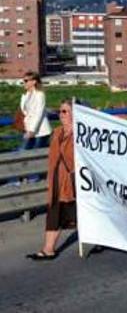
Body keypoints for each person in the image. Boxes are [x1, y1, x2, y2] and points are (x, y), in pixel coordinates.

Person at [26, 99, 75, 261]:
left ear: (74, 114)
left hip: (74, 183)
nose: (61, 115)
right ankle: (48, 249)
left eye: (65, 111)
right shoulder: (57, 132)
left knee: (84, 214)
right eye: (60, 111)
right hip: (57, 180)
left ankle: (102, 238)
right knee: (54, 213)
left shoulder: (82, 134)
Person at [15, 71, 52, 184]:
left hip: (40, 130)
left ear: (34, 82)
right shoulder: (25, 95)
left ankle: (42, 178)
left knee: (37, 154)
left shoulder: (40, 94)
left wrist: (32, 131)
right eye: (23, 81)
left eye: (26, 81)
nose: (24, 83)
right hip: (29, 129)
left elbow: (39, 113)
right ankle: (23, 178)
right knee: (23, 152)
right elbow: (25, 112)